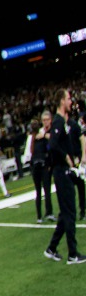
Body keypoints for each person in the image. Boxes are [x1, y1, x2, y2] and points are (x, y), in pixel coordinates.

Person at [43, 90, 85, 263]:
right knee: (69, 212)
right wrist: (66, 157)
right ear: (61, 101)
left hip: (64, 171)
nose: (70, 101)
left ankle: (52, 248)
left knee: (65, 212)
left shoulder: (64, 121)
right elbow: (52, 145)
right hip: (61, 172)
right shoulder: (58, 121)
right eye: (68, 99)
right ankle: (73, 254)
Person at [25, 114, 53, 223]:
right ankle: (40, 216)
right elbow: (29, 153)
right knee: (40, 191)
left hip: (42, 165)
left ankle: (47, 213)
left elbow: (48, 148)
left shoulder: (41, 135)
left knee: (45, 190)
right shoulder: (31, 138)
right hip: (37, 166)